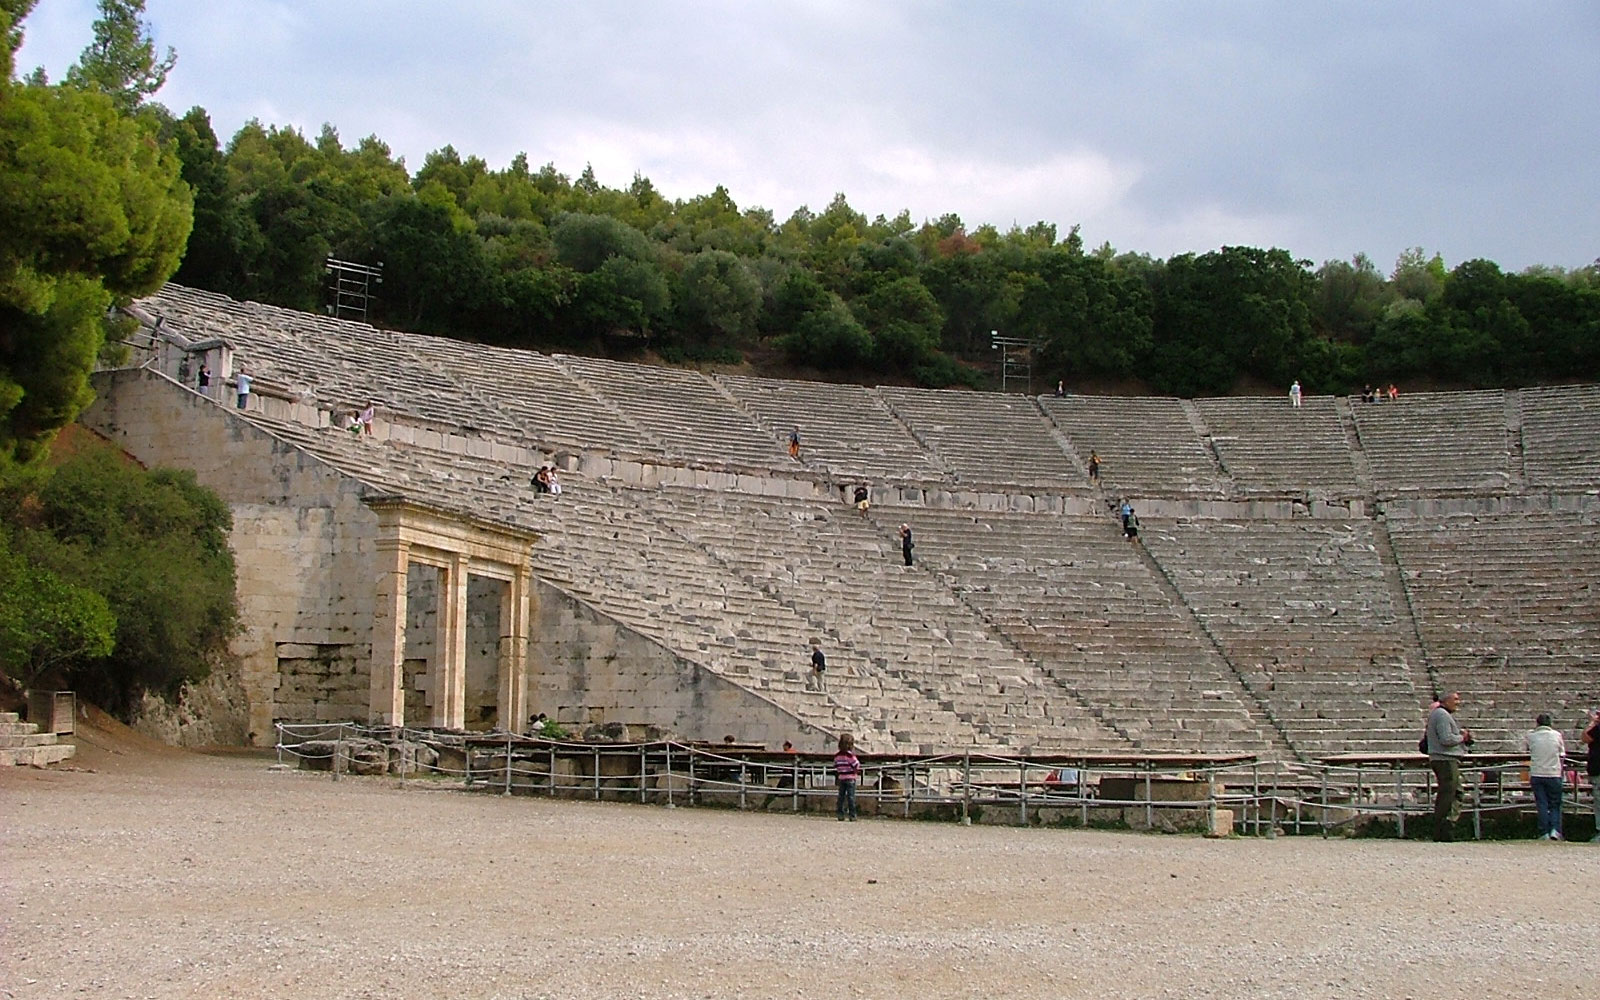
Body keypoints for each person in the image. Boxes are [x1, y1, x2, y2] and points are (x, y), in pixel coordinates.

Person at [1426, 691, 1474, 842]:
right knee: (1449, 794)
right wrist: (1462, 737)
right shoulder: (1441, 715)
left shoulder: (1440, 715)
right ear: (1446, 701)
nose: (1458, 702)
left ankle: (1447, 825)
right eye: (1455, 699)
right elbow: (1446, 739)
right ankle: (1444, 827)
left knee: (1455, 792)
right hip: (1445, 759)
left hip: (1444, 758)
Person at [1524, 713, 1566, 840]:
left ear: (1537, 723)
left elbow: (1527, 750)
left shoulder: (1531, 736)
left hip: (1537, 772)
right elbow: (1562, 754)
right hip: (1553, 773)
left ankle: (1543, 832)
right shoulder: (1557, 735)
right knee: (1555, 804)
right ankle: (1555, 829)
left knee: (1542, 803)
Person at [834, 733, 861, 822]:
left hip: (842, 778)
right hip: (850, 778)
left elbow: (836, 765)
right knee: (851, 797)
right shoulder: (850, 756)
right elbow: (856, 765)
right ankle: (852, 815)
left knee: (841, 797)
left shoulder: (837, 756)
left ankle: (840, 814)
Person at [1583, 709, 1600, 842]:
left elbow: (1585, 737)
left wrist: (1592, 723)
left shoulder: (1597, 728)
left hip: (1598, 769)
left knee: (1599, 801)